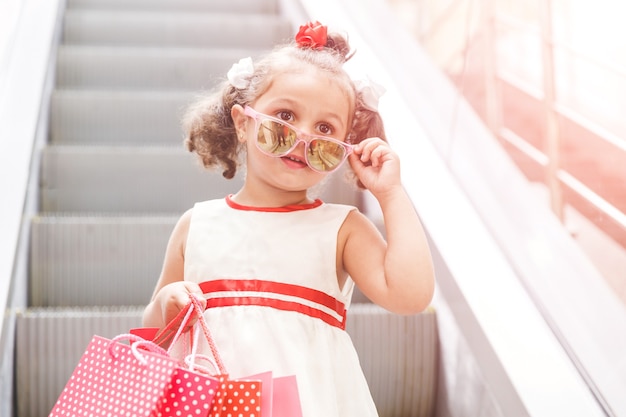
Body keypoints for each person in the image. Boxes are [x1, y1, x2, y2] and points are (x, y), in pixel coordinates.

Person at [142, 21, 435, 416]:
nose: (302, 139)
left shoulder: (342, 229)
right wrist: (165, 303)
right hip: (209, 402)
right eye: (284, 116)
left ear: (344, 148)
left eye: (325, 129)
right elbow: (153, 332)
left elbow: (410, 295)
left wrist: (390, 193)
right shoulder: (197, 225)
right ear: (244, 123)